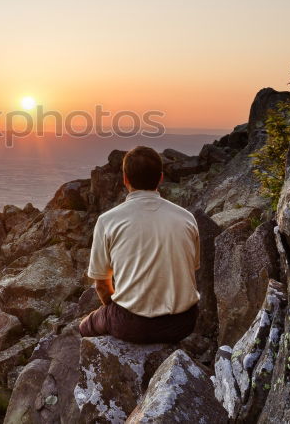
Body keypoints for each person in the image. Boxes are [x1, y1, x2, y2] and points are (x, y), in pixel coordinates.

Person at [78, 145, 200, 344]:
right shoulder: (187, 218)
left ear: (125, 179)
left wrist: (115, 310)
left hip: (132, 325)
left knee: (85, 326)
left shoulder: (108, 220)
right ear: (160, 178)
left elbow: (101, 285)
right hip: (183, 323)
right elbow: (190, 269)